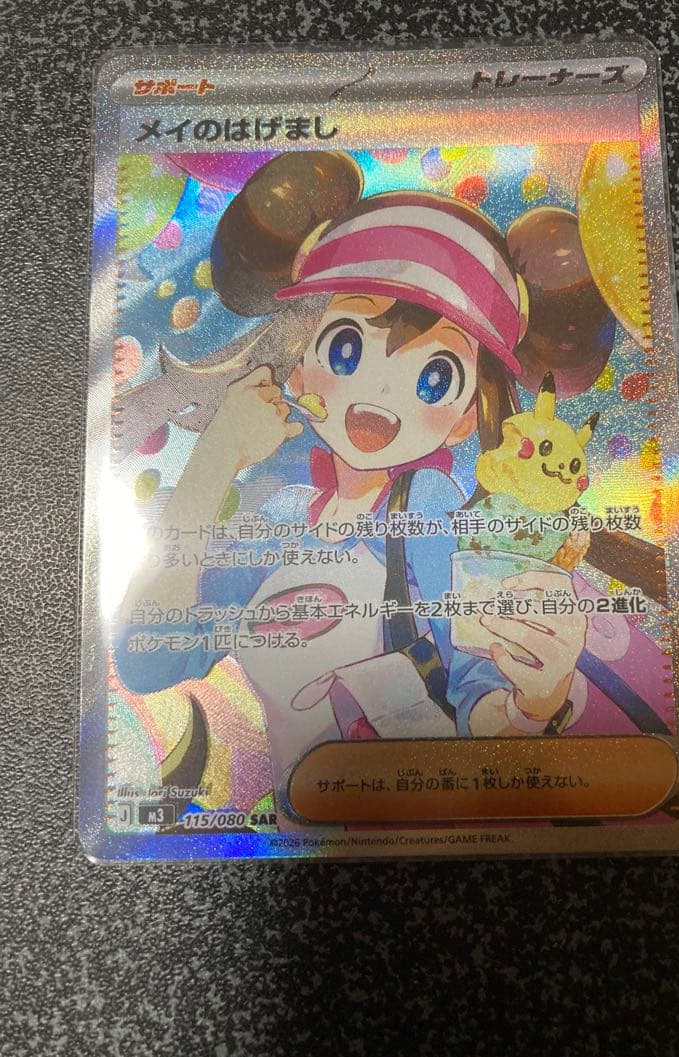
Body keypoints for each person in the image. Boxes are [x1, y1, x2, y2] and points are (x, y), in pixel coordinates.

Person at [114, 152, 626, 813]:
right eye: (347, 348)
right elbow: (149, 657)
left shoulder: (428, 510)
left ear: (463, 418)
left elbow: (480, 698)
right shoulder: (277, 518)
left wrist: (536, 699)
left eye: (434, 377)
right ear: (299, 365)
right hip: (302, 835)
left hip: (429, 820)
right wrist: (213, 460)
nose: (380, 391)